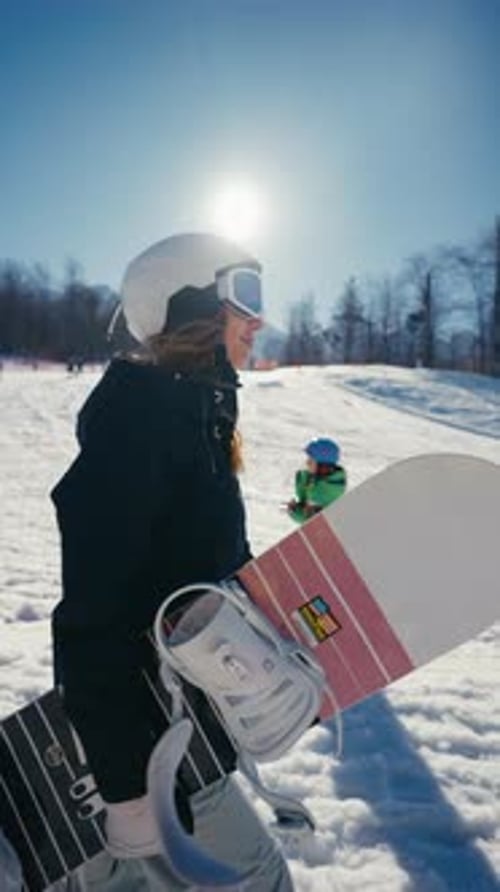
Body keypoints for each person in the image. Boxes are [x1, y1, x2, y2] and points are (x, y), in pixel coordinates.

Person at [50, 233, 294, 891]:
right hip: (142, 741)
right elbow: (89, 616)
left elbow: (199, 577)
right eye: (245, 294)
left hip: (182, 722)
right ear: (188, 303)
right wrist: (125, 787)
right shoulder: (137, 424)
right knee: (261, 882)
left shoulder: (198, 418)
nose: (259, 318)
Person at [287, 437, 347, 523]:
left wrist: (294, 511)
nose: (307, 463)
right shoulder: (318, 480)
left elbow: (310, 521)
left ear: (322, 465)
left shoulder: (323, 493)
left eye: (311, 460)